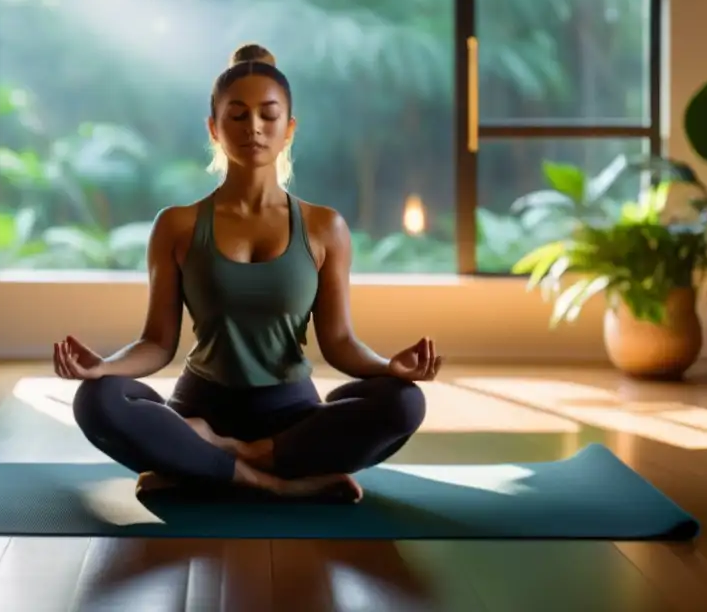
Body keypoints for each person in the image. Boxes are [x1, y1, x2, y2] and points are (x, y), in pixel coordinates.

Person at [53, 44, 441, 503]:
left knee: (403, 402)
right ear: (214, 128)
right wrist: (104, 367)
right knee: (97, 401)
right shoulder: (177, 225)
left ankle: (212, 462)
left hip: (291, 414)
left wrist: (387, 367)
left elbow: (338, 342)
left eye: (268, 115)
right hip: (200, 407)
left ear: (289, 129)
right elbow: (158, 342)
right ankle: (269, 481)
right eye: (236, 116)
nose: (253, 127)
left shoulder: (324, 227)